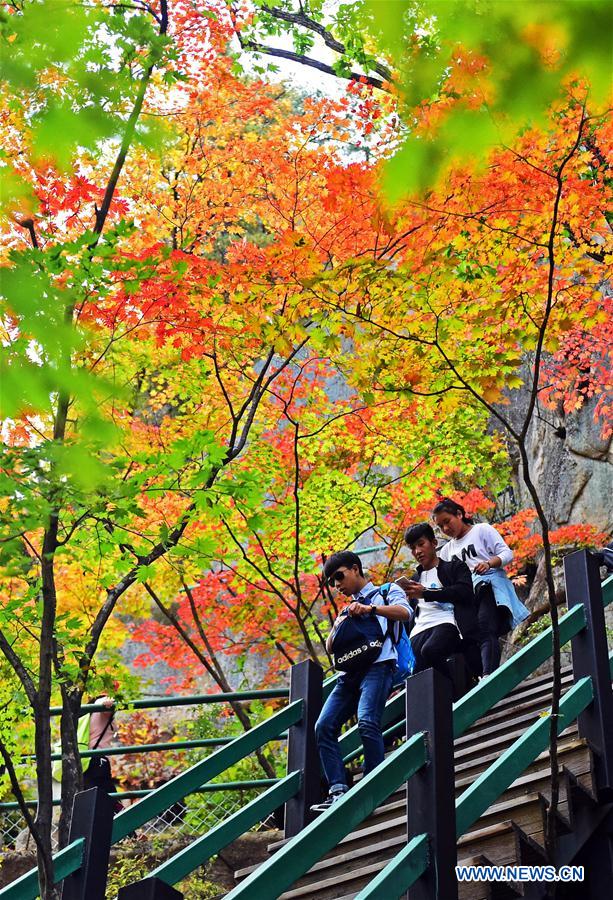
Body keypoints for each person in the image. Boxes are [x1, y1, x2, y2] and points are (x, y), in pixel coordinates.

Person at [312, 551, 411, 813]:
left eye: (339, 577)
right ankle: (338, 791)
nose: (337, 586)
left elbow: (405, 613)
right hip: (350, 672)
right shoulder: (346, 608)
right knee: (323, 725)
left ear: (355, 569)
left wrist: (370, 608)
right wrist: (342, 620)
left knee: (367, 720)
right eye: (332, 582)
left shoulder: (387, 591)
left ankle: (373, 783)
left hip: (379, 666)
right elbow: (331, 646)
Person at [432, 498, 529, 675]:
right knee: (469, 637)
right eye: (440, 526)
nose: (445, 529)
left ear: (459, 514)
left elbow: (507, 553)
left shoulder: (481, 530)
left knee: (486, 628)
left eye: (447, 521)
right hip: (465, 597)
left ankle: (488, 676)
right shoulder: (446, 551)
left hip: (487, 585)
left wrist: (489, 563)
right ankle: (481, 677)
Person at [400, 523, 481, 677]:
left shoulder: (454, 567)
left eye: (421, 544)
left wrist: (426, 593)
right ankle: (445, 697)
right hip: (419, 629)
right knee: (414, 669)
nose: (417, 551)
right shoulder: (414, 579)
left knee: (430, 650)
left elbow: (464, 592)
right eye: (412, 548)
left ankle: (455, 693)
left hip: (447, 622)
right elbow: (408, 615)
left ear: (434, 543)